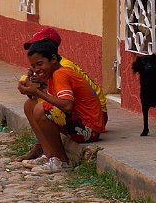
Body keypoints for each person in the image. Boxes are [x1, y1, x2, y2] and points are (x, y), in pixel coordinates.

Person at [17, 27, 108, 161]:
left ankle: (60, 160)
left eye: (39, 63)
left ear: (52, 56)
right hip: (80, 118)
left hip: (90, 127)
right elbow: (47, 96)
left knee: (40, 109)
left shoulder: (62, 71)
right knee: (30, 105)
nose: (36, 69)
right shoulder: (52, 71)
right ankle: (49, 155)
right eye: (33, 66)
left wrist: (36, 91)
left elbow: (67, 105)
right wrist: (31, 89)